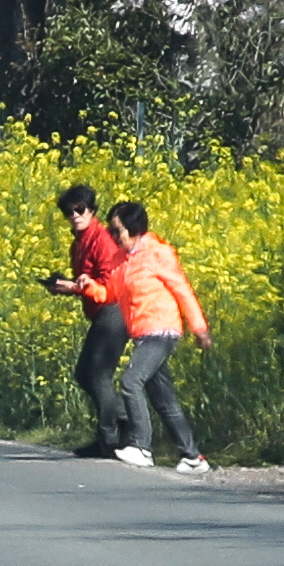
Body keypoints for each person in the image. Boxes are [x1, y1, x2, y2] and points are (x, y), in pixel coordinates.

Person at [89, 199, 211, 473]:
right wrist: (87, 287)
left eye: (117, 230)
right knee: (164, 399)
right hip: (141, 333)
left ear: (135, 229)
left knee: (131, 381)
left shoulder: (158, 253)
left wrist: (199, 328)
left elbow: (182, 290)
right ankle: (193, 457)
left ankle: (142, 447)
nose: (113, 236)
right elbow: (111, 294)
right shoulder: (120, 260)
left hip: (162, 329)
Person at [42, 183, 129, 457]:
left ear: (92, 211)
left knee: (97, 375)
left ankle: (110, 439)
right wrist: (65, 287)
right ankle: (124, 425)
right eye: (70, 213)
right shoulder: (78, 244)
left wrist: (76, 287)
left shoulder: (100, 239)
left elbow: (108, 283)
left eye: (80, 210)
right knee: (85, 374)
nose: (75, 216)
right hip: (101, 312)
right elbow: (87, 284)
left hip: (114, 310)